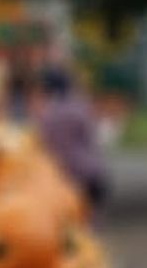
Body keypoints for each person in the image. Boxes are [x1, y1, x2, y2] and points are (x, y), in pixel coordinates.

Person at [35, 64, 109, 212]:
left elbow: (42, 145)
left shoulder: (46, 114)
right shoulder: (80, 108)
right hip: (90, 174)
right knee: (87, 218)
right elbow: (91, 137)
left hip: (62, 178)